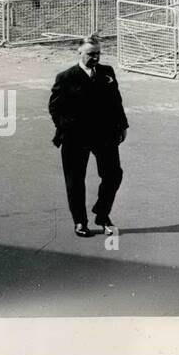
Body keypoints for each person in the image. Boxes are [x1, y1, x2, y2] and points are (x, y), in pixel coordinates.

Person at [49, 35, 128, 237]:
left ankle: (102, 214)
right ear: (80, 53)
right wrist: (66, 127)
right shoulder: (66, 77)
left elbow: (116, 101)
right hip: (75, 137)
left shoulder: (107, 72)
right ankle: (80, 222)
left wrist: (122, 126)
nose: (96, 58)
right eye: (91, 54)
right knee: (75, 181)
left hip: (104, 135)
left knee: (113, 175)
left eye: (98, 54)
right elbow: (54, 108)